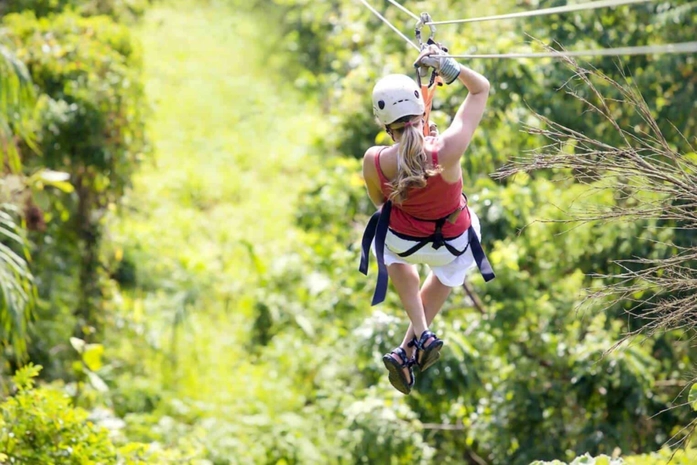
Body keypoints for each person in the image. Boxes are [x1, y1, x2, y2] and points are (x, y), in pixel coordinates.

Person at [359, 44, 494, 395]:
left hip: (404, 241)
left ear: (386, 127)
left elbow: (381, 202)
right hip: (452, 242)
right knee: (451, 265)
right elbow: (481, 89)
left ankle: (418, 337)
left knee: (384, 236)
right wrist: (450, 68)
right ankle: (413, 342)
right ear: (421, 113)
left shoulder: (374, 161)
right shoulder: (447, 149)